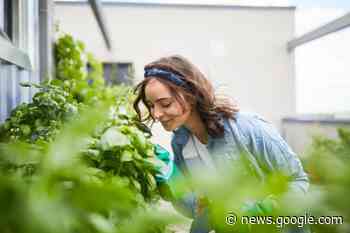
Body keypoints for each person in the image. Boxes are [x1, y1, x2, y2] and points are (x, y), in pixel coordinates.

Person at [133, 55, 309, 233]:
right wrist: (172, 180)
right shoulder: (181, 143)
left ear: (190, 96)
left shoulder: (247, 128)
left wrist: (263, 211)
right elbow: (195, 209)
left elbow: (298, 181)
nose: (156, 114)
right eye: (151, 105)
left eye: (165, 103)